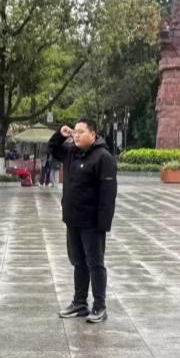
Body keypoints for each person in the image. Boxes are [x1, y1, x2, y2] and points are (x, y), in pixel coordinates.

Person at [48, 118, 117, 324]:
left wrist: (103, 223)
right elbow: (53, 149)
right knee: (78, 262)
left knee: (95, 263)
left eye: (81, 132)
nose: (76, 135)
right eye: (75, 132)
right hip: (73, 219)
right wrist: (60, 134)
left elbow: (108, 195)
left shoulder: (103, 157)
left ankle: (99, 306)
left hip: (92, 222)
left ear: (93, 135)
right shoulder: (71, 152)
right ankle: (79, 303)